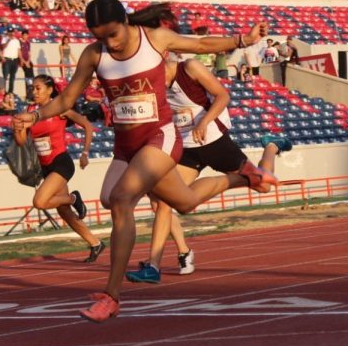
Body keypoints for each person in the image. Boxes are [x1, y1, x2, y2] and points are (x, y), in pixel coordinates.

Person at [13, 0, 270, 322]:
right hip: (126, 145)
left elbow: (201, 44)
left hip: (161, 137)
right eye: (100, 36)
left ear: (125, 22)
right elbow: (66, 98)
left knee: (121, 200)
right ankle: (244, 177)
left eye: (113, 34)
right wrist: (34, 115)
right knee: (179, 202)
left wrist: (242, 40)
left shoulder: (153, 38)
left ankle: (111, 296)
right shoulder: (94, 54)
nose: (110, 43)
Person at [125, 55, 293, 282]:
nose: (156, 84)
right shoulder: (154, 85)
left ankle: (272, 146)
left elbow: (223, 95)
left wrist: (204, 122)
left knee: (263, 186)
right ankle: (153, 266)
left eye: (156, 77)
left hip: (213, 140)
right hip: (185, 146)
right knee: (165, 202)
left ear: (163, 62)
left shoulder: (190, 67)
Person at [13, 74, 106, 263]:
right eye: (32, 88)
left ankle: (73, 198)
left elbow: (87, 125)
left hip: (61, 162)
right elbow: (22, 142)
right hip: (46, 166)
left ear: (49, 89)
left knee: (40, 201)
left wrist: (85, 153)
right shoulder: (30, 111)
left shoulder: (60, 108)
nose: (34, 91)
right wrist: (17, 128)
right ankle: (95, 243)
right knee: (64, 211)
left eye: (38, 88)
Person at [1, 30, 21, 95]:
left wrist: (20, 60)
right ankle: (3, 91)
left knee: (12, 77)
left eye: (12, 32)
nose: (11, 33)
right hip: (7, 59)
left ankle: (10, 91)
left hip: (15, 60)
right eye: (9, 32)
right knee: (5, 76)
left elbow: (18, 50)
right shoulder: (4, 38)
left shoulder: (16, 40)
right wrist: (8, 40)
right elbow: (3, 47)